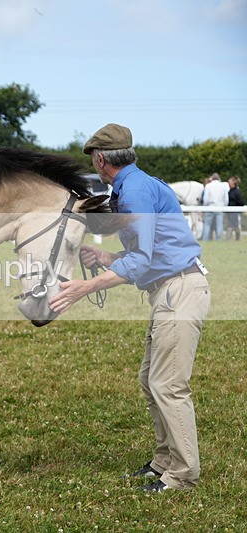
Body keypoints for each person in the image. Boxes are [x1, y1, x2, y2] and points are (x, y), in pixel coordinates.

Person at [49, 124, 210, 493]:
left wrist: (85, 286)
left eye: (93, 157)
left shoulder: (134, 191)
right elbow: (148, 252)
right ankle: (164, 462)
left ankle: (182, 476)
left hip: (179, 290)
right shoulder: (137, 186)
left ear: (100, 159)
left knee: (168, 384)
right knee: (151, 380)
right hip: (173, 288)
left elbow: (140, 260)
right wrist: (107, 256)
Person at [201, 173, 228, 240]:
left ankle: (205, 239)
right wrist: (225, 206)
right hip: (220, 208)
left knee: (207, 224)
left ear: (212, 178)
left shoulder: (208, 186)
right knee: (219, 225)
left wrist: (204, 206)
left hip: (210, 207)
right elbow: (226, 199)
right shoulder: (223, 186)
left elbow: (206, 199)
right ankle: (219, 239)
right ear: (219, 178)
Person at [225, 176, 243, 240]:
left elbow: (241, 202)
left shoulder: (237, 192)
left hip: (235, 212)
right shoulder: (230, 191)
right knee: (230, 226)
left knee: (235, 226)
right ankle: (228, 239)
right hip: (230, 212)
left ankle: (237, 239)